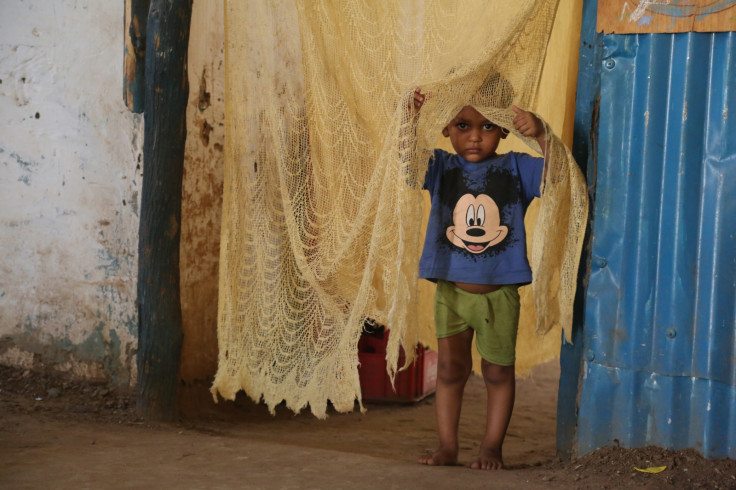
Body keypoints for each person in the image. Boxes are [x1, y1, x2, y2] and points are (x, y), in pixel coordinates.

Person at [411, 87, 548, 470]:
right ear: (446, 128)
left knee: (498, 371)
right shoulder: (440, 167)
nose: (475, 135)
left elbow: (560, 178)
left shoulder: (518, 167)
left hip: (499, 296)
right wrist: (410, 121)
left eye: (488, 125)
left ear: (505, 128)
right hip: (451, 292)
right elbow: (406, 166)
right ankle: (448, 447)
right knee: (451, 371)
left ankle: (492, 447)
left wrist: (540, 134)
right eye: (463, 125)